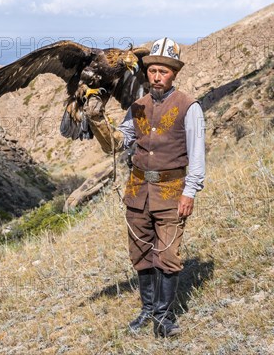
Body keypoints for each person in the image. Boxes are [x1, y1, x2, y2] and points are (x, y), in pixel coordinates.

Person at [85, 37, 205, 338]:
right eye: (152, 71)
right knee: (140, 254)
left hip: (171, 192)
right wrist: (97, 119)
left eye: (163, 72)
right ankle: (148, 310)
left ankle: (163, 319)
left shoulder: (189, 107)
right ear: (147, 72)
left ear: (174, 74)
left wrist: (190, 192)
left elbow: (198, 155)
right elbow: (116, 143)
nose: (157, 77)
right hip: (137, 192)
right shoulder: (136, 107)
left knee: (167, 255)